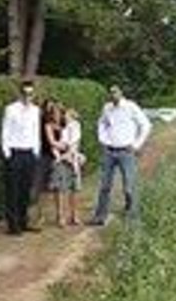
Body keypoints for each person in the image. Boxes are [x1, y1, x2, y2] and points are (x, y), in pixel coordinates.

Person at [89, 85, 152, 225]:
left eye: (115, 91)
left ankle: (133, 217)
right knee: (105, 186)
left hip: (126, 152)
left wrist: (136, 145)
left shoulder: (131, 107)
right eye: (110, 92)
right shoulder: (107, 108)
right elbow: (101, 124)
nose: (113, 94)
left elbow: (146, 125)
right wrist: (103, 139)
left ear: (121, 92)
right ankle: (100, 217)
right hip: (109, 151)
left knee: (129, 185)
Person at [0, 79, 41, 235]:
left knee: (25, 189)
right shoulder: (10, 109)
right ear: (20, 93)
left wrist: (36, 151)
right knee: (13, 190)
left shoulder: (35, 110)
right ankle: (13, 225)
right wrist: (7, 154)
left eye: (30, 93)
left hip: (29, 153)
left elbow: (35, 131)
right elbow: (5, 132)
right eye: (25, 93)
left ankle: (24, 222)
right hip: (15, 153)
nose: (27, 96)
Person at [50, 107, 84, 225]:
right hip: (62, 160)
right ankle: (61, 216)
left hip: (72, 160)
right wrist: (59, 153)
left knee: (74, 189)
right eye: (65, 115)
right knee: (61, 188)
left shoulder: (76, 126)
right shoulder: (62, 127)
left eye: (67, 115)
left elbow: (72, 144)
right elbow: (57, 144)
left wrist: (64, 152)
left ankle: (74, 216)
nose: (65, 116)